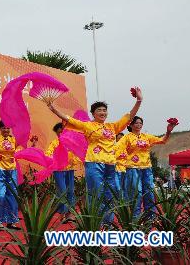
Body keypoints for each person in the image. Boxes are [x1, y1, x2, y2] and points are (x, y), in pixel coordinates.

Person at [47, 87, 142, 225]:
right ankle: (96, 224)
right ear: (93, 113)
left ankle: (108, 223)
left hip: (110, 164)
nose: (102, 112)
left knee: (110, 193)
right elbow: (69, 119)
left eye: (104, 110)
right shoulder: (88, 126)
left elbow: (129, 116)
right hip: (94, 163)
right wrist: (53, 108)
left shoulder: (112, 126)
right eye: (99, 110)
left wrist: (139, 100)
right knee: (97, 193)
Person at [117, 116, 176, 219]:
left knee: (149, 193)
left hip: (147, 168)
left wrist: (168, 131)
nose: (139, 125)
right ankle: (135, 219)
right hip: (132, 168)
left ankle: (151, 218)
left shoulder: (146, 137)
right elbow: (117, 149)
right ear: (130, 125)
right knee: (137, 194)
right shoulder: (126, 138)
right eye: (136, 123)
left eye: (140, 123)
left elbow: (162, 141)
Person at [45, 122, 80, 223]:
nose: (62, 134)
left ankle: (69, 214)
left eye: (64, 132)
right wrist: (56, 160)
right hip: (59, 171)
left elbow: (76, 154)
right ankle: (62, 214)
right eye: (60, 133)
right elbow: (48, 154)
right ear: (56, 133)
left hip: (69, 170)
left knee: (70, 191)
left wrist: (74, 160)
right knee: (62, 191)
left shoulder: (71, 143)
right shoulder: (54, 143)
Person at [115, 132, 128, 199]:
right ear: (116, 139)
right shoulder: (113, 147)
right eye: (119, 138)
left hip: (125, 171)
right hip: (116, 171)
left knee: (125, 188)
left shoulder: (127, 149)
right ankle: (118, 203)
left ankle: (124, 206)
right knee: (118, 188)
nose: (121, 140)